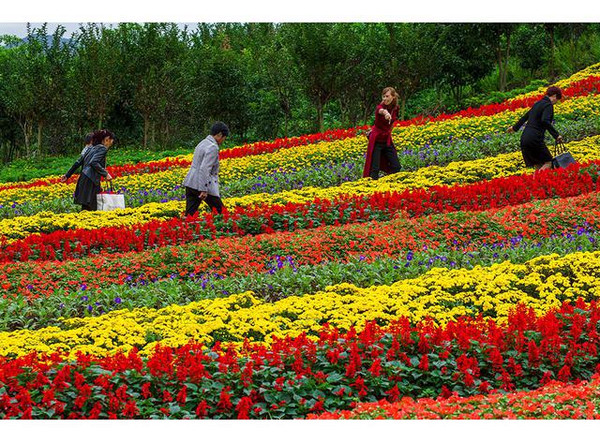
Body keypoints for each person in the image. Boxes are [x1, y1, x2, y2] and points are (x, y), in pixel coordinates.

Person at [508, 85, 564, 174]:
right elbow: (545, 121)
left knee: (538, 165)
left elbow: (525, 117)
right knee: (549, 162)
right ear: (554, 95)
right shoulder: (548, 105)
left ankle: (536, 185)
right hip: (535, 138)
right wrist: (556, 135)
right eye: (557, 99)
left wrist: (514, 128)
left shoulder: (538, 103)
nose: (555, 102)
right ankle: (534, 180)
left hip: (525, 138)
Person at [182, 121, 229, 216]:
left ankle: (184, 230)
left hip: (191, 183)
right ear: (219, 135)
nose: (223, 140)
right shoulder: (213, 147)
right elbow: (204, 168)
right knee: (222, 212)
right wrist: (203, 189)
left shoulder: (203, 143)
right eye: (224, 138)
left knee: (190, 215)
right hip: (201, 185)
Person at [63, 129, 115, 211]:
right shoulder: (102, 148)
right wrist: (105, 174)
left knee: (86, 207)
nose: (111, 143)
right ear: (107, 139)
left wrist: (67, 175)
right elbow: (94, 162)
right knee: (93, 207)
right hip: (91, 180)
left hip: (84, 179)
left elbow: (78, 162)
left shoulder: (91, 148)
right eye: (111, 141)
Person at [362, 87, 402, 179]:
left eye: (387, 96)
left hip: (387, 140)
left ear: (393, 97)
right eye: (383, 96)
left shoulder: (396, 108)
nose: (384, 99)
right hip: (376, 140)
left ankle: (390, 184)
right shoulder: (380, 107)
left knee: (396, 166)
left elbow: (393, 122)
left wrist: (389, 132)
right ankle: (372, 189)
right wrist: (386, 113)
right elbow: (381, 111)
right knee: (374, 169)